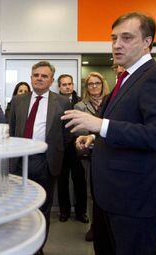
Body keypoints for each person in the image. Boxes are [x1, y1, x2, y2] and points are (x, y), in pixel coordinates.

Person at [62, 12, 156, 255]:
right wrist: (93, 138)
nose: (116, 45)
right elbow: (125, 124)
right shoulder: (125, 78)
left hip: (135, 200)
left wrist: (99, 125)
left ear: (147, 42)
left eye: (126, 37)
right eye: (114, 38)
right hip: (109, 197)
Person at [9, 61, 70, 254]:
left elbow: (66, 134)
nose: (39, 78)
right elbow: (10, 129)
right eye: (36, 75)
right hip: (20, 161)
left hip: (46, 162)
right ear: (31, 77)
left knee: (42, 208)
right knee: (19, 208)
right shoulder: (18, 101)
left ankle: (38, 248)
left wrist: (55, 151)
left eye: (44, 76)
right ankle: (20, 246)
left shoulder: (61, 102)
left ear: (51, 80)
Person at [74, 72, 110, 242]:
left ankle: (107, 226)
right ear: (86, 87)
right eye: (90, 84)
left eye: (97, 83)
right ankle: (94, 227)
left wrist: (96, 131)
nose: (94, 86)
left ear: (103, 85)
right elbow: (80, 132)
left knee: (109, 191)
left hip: (110, 154)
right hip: (89, 155)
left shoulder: (112, 102)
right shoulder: (80, 106)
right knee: (92, 192)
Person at [56, 74, 88, 224]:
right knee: (62, 181)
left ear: (73, 85)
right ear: (59, 87)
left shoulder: (81, 102)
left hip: (77, 146)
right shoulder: (54, 102)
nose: (67, 87)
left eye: (69, 84)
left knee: (80, 180)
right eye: (64, 84)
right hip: (61, 147)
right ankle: (64, 211)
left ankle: (81, 212)